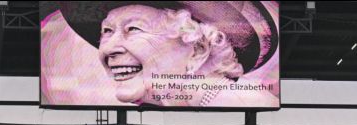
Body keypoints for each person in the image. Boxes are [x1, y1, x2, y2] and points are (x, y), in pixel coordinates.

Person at [41, 2, 279, 108]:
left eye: (133, 29)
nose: (108, 48)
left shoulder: (247, 101)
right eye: (107, 31)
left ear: (198, 50)